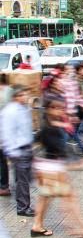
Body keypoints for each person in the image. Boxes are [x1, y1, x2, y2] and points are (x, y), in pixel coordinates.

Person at [31, 99, 83, 238]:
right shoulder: (49, 129)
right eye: (57, 108)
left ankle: (37, 226)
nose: (61, 111)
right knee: (69, 198)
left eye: (62, 108)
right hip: (52, 170)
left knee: (45, 198)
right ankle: (82, 229)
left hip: (48, 169)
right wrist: (77, 164)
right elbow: (57, 151)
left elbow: (37, 141)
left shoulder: (53, 126)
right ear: (49, 110)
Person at [0, 85, 35, 216]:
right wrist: (13, 152)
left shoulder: (23, 108)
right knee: (22, 181)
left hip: (26, 148)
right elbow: (7, 134)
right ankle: (23, 207)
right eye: (24, 94)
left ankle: (24, 205)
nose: (27, 97)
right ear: (17, 96)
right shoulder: (10, 112)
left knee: (23, 180)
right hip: (19, 150)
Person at [0, 75, 12, 196]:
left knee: (2, 159)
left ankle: (4, 186)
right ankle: (4, 185)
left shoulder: (5, 92)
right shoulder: (9, 90)